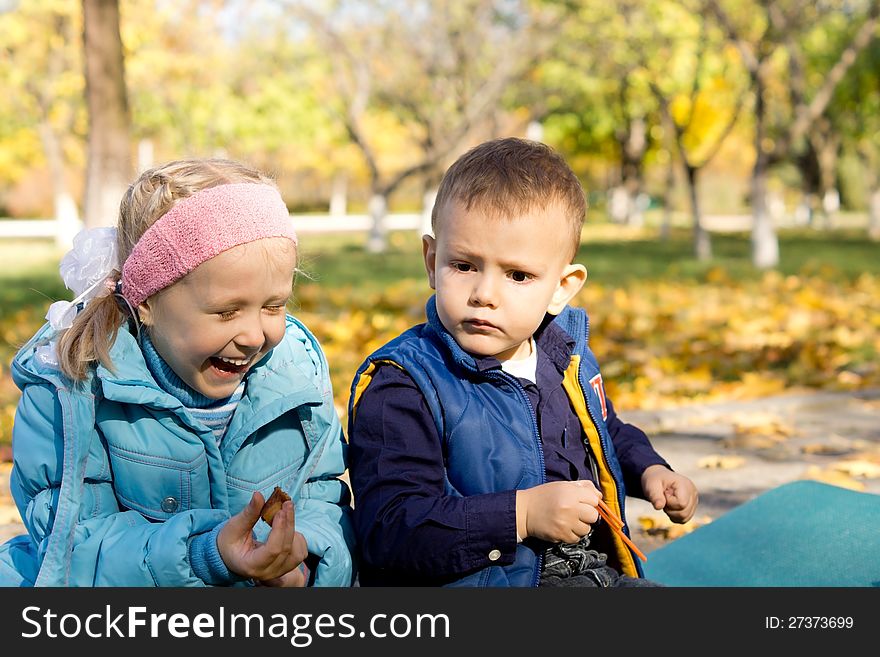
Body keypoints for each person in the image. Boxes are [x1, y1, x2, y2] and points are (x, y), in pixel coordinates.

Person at [347, 137, 697, 587]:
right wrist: (521, 515)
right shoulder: (405, 384)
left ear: (562, 286)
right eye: (465, 265)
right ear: (432, 262)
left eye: (517, 275)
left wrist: (651, 469)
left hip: (589, 574)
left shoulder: (564, 359)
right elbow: (390, 532)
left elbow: (605, 431)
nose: (485, 294)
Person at [0, 159, 355, 587]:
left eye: (274, 306)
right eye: (226, 312)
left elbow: (323, 497)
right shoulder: (75, 389)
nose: (254, 335)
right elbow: (74, 547)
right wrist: (204, 556)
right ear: (147, 302)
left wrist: (305, 562)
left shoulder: (294, 375)